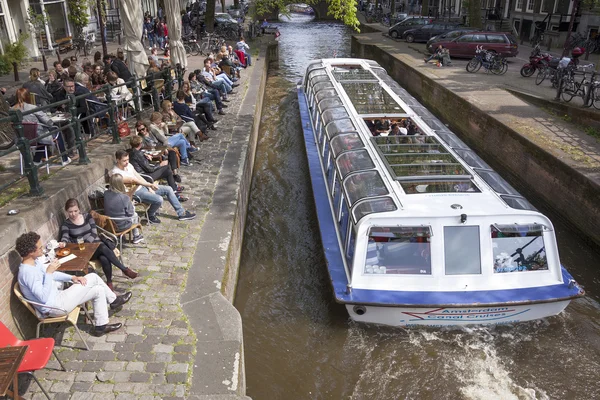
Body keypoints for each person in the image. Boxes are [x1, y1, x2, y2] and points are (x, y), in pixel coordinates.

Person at [16, 231, 130, 336]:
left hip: (58, 297)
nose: (42, 249)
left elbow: (52, 274)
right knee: (93, 277)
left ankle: (100, 327)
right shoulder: (27, 273)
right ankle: (114, 300)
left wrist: (73, 277)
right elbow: (42, 297)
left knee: (98, 290)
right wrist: (49, 273)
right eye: (40, 247)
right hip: (55, 307)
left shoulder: (35, 263)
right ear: (31, 252)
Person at [59, 198, 140, 291]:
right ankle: (124, 269)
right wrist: (63, 242)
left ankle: (109, 283)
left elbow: (94, 233)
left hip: (96, 247)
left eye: (75, 211)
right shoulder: (66, 224)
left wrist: (89, 244)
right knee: (101, 246)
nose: (73, 214)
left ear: (79, 209)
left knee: (104, 257)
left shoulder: (87, 216)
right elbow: (65, 236)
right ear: (66, 212)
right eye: (70, 212)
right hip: (85, 251)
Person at [110, 149, 196, 223]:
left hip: (142, 187)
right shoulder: (116, 173)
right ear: (118, 160)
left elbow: (138, 176)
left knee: (169, 189)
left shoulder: (129, 165)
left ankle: (181, 213)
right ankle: (150, 215)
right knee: (159, 199)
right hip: (135, 193)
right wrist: (150, 185)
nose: (127, 162)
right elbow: (134, 181)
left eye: (128, 159)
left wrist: (148, 187)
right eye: (124, 161)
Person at [11, 88, 71, 166]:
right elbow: (48, 122)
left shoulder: (12, 110)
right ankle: (65, 158)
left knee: (42, 136)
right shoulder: (32, 107)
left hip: (21, 137)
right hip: (37, 136)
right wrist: (51, 121)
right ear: (28, 97)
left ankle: (36, 160)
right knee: (56, 131)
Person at [128, 135, 187, 199]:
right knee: (167, 169)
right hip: (145, 176)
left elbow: (139, 162)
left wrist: (146, 158)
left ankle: (174, 188)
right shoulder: (138, 154)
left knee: (166, 169)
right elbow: (149, 169)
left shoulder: (130, 152)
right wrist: (160, 165)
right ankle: (175, 192)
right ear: (140, 144)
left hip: (141, 173)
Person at [104, 173, 145, 245]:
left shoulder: (106, 194)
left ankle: (122, 238)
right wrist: (132, 204)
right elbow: (130, 213)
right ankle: (136, 236)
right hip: (121, 225)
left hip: (110, 224)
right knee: (135, 214)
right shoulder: (124, 197)